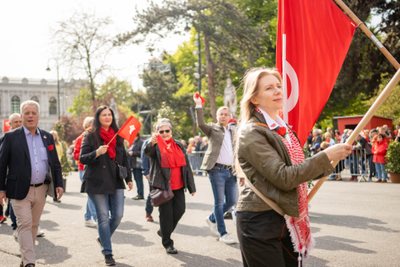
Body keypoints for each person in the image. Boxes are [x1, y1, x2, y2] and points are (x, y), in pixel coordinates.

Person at [235, 68, 352, 267]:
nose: (278, 91)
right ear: (254, 98)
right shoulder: (251, 133)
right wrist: (325, 157)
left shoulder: (284, 129)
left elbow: (299, 170)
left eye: (279, 86)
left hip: (285, 218)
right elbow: (284, 176)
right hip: (259, 221)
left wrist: (328, 161)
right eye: (269, 88)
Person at [0, 100, 64, 267]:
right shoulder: (10, 137)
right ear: (21, 116)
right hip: (18, 189)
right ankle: (30, 262)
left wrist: (59, 184)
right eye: (26, 113)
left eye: (33, 113)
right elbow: (1, 165)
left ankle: (25, 258)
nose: (30, 116)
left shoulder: (47, 137)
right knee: (25, 224)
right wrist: (1, 189)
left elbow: (55, 163)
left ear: (38, 116)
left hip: (41, 189)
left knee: (34, 225)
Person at [80, 105, 133, 266]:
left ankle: (103, 237)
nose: (107, 117)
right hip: (96, 181)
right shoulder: (90, 135)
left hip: (115, 179)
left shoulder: (118, 136)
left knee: (117, 215)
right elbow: (82, 158)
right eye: (104, 115)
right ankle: (108, 253)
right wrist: (96, 152)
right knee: (103, 218)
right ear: (98, 117)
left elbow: (124, 158)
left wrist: (129, 178)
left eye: (109, 114)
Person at [145, 118, 196, 254]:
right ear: (157, 133)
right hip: (163, 186)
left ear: (171, 131)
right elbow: (147, 152)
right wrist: (151, 143)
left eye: (167, 130)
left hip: (179, 185)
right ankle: (168, 243)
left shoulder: (179, 145)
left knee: (180, 210)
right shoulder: (154, 145)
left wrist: (191, 187)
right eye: (161, 131)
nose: (165, 133)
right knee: (166, 215)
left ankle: (163, 231)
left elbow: (186, 167)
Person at [193, 95, 238, 244]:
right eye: (221, 114)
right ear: (217, 116)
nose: (224, 116)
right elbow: (200, 123)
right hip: (216, 170)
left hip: (231, 171)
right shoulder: (212, 129)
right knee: (219, 202)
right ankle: (222, 232)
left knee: (231, 201)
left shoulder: (233, 131)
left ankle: (211, 218)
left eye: (226, 114)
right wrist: (199, 105)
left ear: (230, 117)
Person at [73, 116, 97, 228]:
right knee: (92, 195)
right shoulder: (81, 138)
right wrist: (90, 154)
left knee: (91, 195)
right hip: (84, 169)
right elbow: (76, 155)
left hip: (93, 169)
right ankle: (96, 217)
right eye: (93, 124)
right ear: (87, 126)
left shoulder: (95, 137)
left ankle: (88, 218)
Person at [1, 113, 22, 226]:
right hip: (11, 177)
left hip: (25, 177)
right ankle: (15, 226)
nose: (18, 124)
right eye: (16, 122)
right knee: (14, 202)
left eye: (20, 121)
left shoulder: (27, 136)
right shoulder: (6, 137)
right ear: (10, 124)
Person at [141, 137, 154, 222]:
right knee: (153, 193)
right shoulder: (148, 141)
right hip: (152, 172)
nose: (164, 133)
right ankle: (148, 213)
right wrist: (146, 171)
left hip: (167, 173)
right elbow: (144, 157)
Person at [129, 134, 144, 200]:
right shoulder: (134, 142)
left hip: (138, 164)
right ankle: (139, 193)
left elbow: (142, 152)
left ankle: (140, 194)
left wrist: (133, 153)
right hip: (134, 164)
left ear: (136, 136)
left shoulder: (141, 142)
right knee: (136, 179)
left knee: (139, 180)